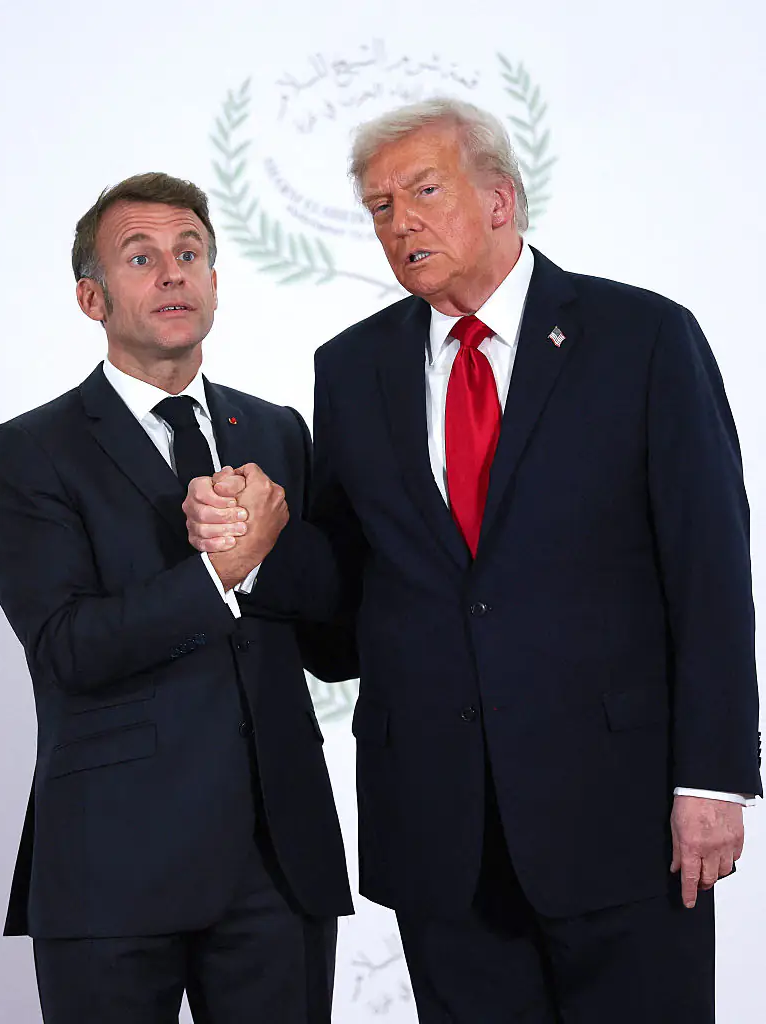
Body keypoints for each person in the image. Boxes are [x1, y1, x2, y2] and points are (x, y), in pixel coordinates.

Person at [184, 100, 762, 1022]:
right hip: (439, 827)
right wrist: (260, 556)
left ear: (502, 199)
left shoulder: (643, 337)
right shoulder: (353, 366)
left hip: (621, 816)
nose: (400, 222)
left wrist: (713, 778)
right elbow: (348, 601)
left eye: (423, 191)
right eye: (379, 206)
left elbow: (710, 569)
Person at [0, 172, 352, 1024]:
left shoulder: (279, 430)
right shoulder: (27, 452)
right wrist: (221, 573)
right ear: (91, 297)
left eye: (190, 254)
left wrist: (264, 559)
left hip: (277, 862)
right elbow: (69, 645)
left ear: (216, 282)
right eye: (140, 258)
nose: (173, 273)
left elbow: (337, 631)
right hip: (112, 867)